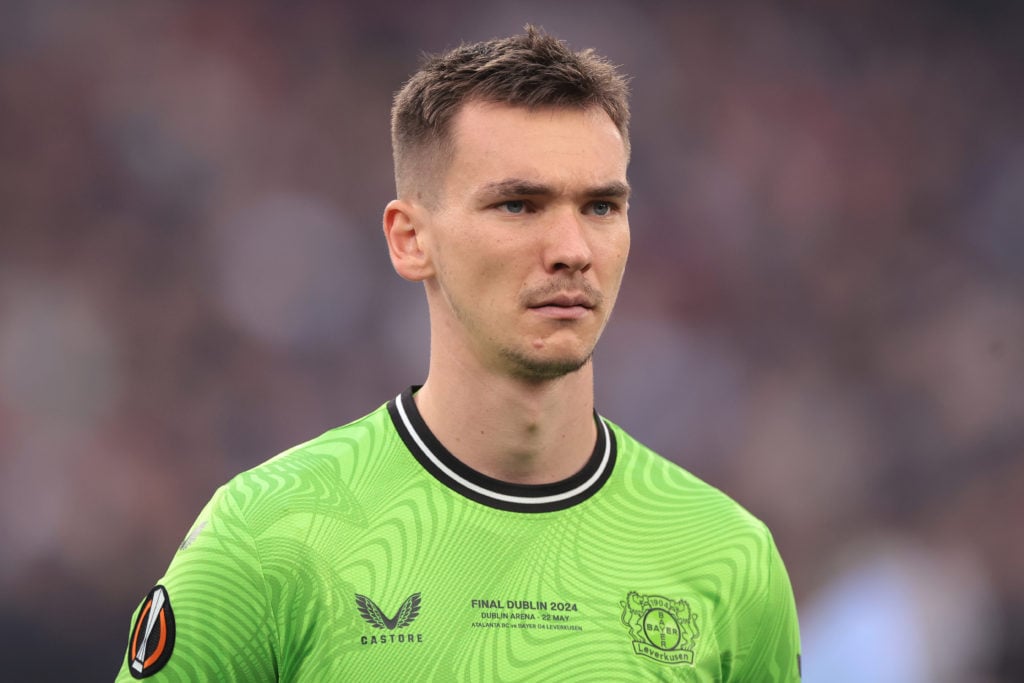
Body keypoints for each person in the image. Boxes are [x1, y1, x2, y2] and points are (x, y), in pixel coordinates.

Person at [116, 26, 801, 681]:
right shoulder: (267, 533)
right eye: (518, 205)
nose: (572, 249)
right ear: (411, 238)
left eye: (600, 206)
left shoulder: (729, 558)